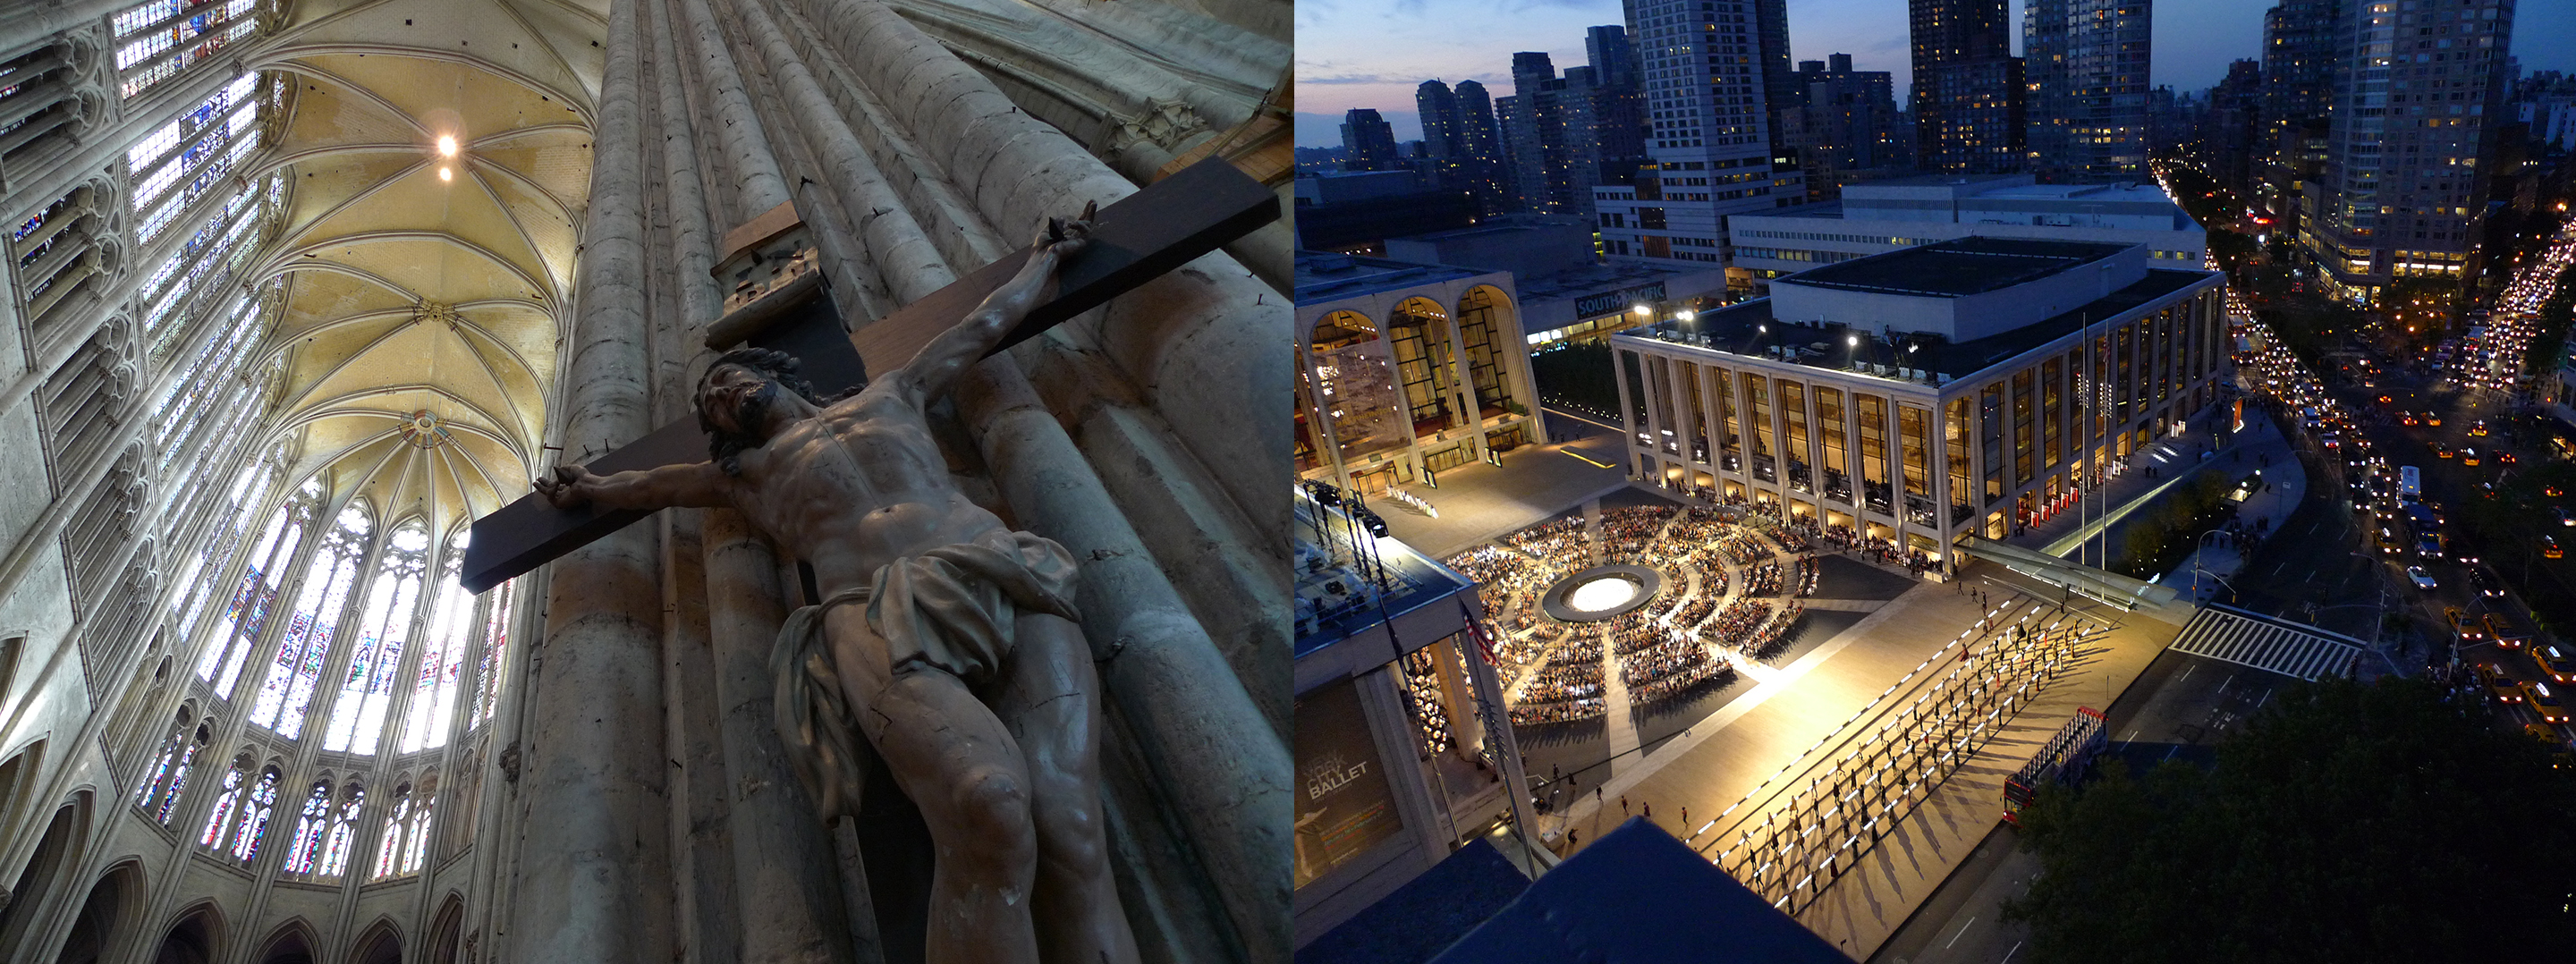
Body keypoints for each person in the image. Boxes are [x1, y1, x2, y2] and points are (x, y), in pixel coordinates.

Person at [536, 211, 1138, 964]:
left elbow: (982, 326)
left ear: (771, 373)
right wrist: (588, 486)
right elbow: (649, 485)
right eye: (710, 405)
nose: (720, 396)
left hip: (992, 565)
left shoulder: (893, 392)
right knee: (986, 803)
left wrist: (1043, 259)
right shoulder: (746, 475)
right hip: (872, 612)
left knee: (1073, 826)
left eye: (727, 380)